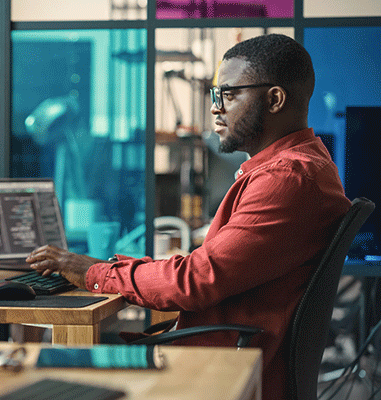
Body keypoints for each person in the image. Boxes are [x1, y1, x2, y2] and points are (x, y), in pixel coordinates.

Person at [26, 34, 351, 400]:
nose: (215, 108)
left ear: (275, 99)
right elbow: (204, 270)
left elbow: (195, 281)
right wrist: (107, 267)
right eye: (215, 95)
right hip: (228, 356)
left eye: (228, 94)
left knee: (46, 373)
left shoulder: (286, 179)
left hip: (224, 370)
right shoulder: (299, 168)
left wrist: (93, 272)